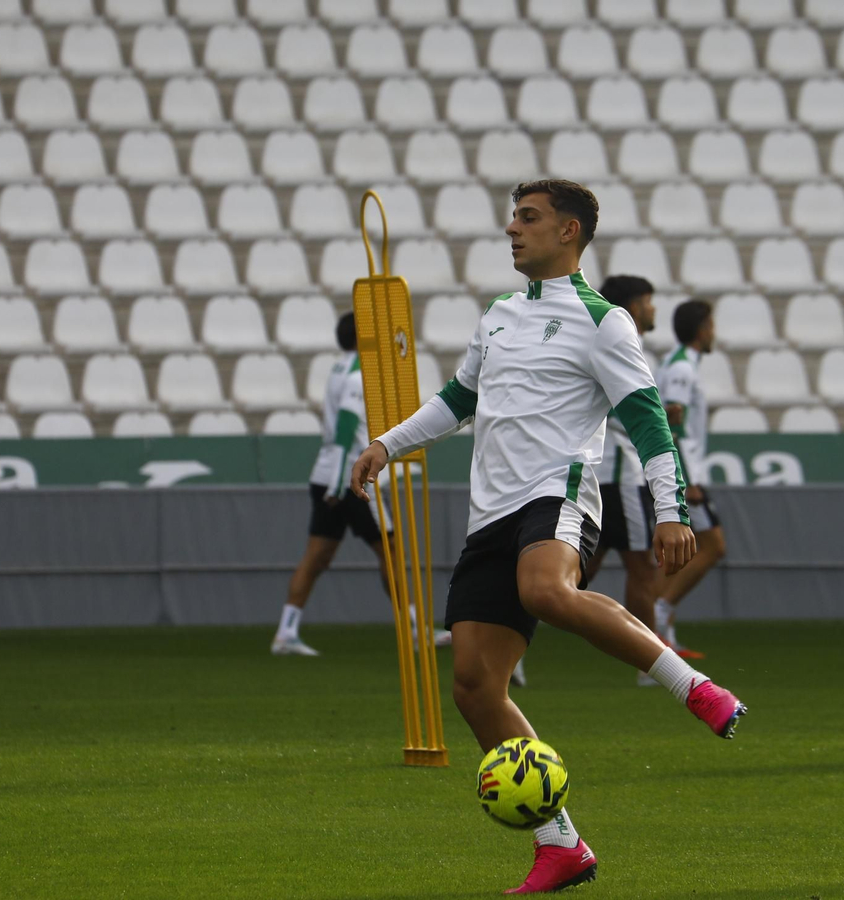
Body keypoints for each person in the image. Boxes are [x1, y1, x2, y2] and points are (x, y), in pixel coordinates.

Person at [348, 179, 747, 894]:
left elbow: (649, 419)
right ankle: (561, 845)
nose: (512, 229)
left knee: (545, 588)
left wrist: (671, 509)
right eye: (512, 217)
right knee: (473, 684)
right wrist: (387, 443)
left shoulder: (605, 321)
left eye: (528, 218)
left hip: (559, 496)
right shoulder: (498, 316)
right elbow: (455, 404)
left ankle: (693, 687)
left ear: (569, 231)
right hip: (490, 513)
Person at [271, 312, 396, 657]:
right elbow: (345, 429)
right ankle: (414, 628)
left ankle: (286, 631)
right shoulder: (359, 374)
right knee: (391, 550)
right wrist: (339, 485)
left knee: (316, 557)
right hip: (348, 478)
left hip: (325, 472)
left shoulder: (338, 368)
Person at [582, 275, 664, 686]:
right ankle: (648, 664)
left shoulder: (601, 338)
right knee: (643, 569)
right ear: (633, 306)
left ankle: (507, 638)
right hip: (620, 477)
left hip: (599, 476)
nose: (653, 309)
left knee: (572, 577)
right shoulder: (625, 344)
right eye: (648, 301)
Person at [651, 300, 728, 660]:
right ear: (701, 329)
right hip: (686, 474)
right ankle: (661, 611)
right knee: (712, 545)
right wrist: (685, 477)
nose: (714, 332)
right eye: (712, 325)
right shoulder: (681, 367)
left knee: (685, 549)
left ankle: (662, 623)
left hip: (685, 470)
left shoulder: (678, 362)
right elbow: (671, 420)